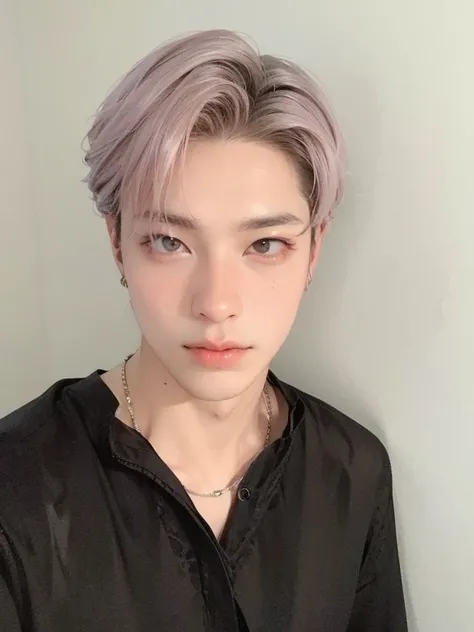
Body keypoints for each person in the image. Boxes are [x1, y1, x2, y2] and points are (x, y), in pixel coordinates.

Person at [0, 29, 407, 632]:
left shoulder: (353, 471)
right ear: (117, 243)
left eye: (265, 244)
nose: (216, 303)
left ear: (314, 251)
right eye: (170, 241)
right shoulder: (15, 492)